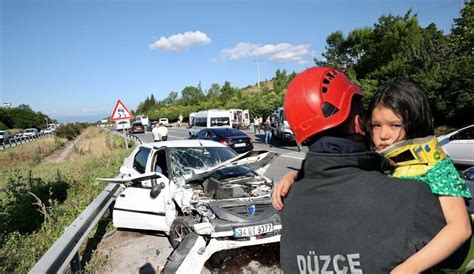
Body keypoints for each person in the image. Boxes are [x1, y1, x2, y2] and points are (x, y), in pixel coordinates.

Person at [277, 67, 446, 273]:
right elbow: (457, 255)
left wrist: (296, 175)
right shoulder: (413, 195)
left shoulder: (288, 199)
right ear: (359, 123)